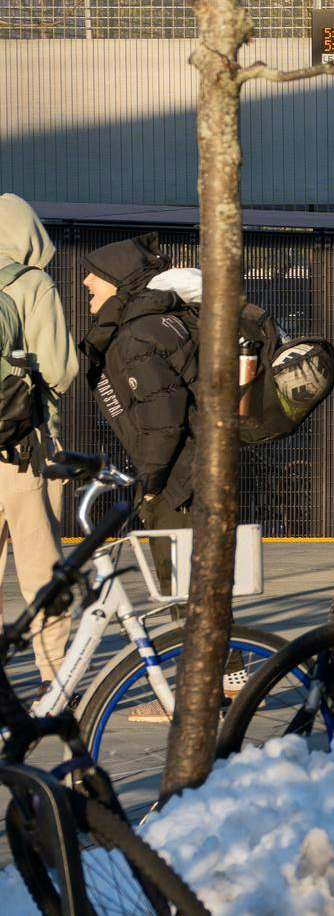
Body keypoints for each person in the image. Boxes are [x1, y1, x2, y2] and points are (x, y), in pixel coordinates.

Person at [78, 236, 204, 570]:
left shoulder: (137, 335)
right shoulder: (151, 322)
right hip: (190, 474)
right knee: (191, 588)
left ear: (120, 281)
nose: (86, 281)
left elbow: (163, 419)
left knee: (182, 587)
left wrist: (151, 486)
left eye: (97, 274)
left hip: (179, 483)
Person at [0, 194, 81, 680]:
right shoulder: (32, 282)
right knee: (42, 572)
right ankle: (55, 679)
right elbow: (59, 368)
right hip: (25, 447)